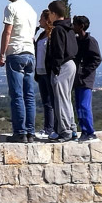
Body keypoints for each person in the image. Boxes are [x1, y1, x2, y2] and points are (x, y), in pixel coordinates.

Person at [0, 0, 38, 143]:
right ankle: (30, 131)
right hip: (30, 53)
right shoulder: (32, 10)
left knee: (17, 94)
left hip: (16, 51)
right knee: (29, 95)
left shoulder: (11, 8)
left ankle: (20, 132)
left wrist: (2, 54)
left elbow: (7, 32)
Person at [45, 0, 78, 142]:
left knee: (60, 100)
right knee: (66, 98)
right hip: (71, 63)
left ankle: (65, 131)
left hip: (63, 65)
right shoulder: (69, 28)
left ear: (53, 13)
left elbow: (58, 50)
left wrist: (55, 67)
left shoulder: (58, 29)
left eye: (50, 13)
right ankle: (72, 128)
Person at [73, 15, 102, 142]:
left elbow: (97, 59)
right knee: (79, 106)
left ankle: (90, 132)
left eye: (75, 24)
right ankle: (84, 131)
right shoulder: (77, 40)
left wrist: (84, 70)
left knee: (84, 105)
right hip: (77, 78)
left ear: (81, 26)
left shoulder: (91, 41)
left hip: (86, 78)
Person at [34, 10, 56, 140]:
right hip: (40, 71)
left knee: (51, 102)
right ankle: (48, 127)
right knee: (45, 102)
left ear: (47, 20)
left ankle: (50, 128)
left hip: (48, 71)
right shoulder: (41, 35)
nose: (39, 21)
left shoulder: (52, 35)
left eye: (41, 19)